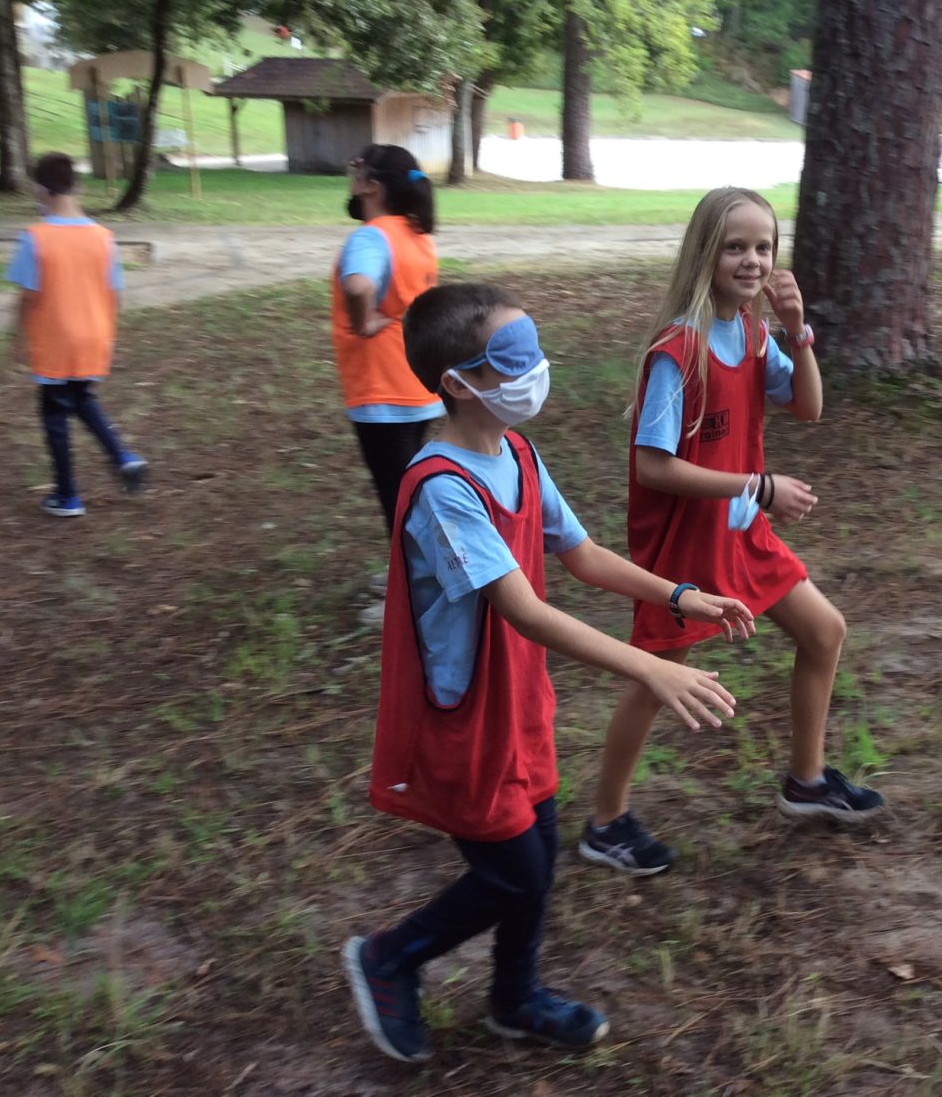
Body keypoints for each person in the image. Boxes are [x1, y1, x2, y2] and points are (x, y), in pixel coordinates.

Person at [342, 282, 756, 1063]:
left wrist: (678, 594)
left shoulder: (518, 453)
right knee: (513, 873)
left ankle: (514, 996)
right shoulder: (441, 489)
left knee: (537, 854)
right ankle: (388, 956)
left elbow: (583, 553)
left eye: (534, 346)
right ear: (459, 382)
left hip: (521, 700)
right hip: (465, 713)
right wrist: (652, 668)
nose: (536, 367)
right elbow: (525, 611)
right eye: (513, 357)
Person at [578, 187, 885, 877]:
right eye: (735, 246)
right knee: (656, 679)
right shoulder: (677, 351)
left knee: (824, 631)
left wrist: (797, 330)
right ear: (704, 254)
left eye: (764, 247)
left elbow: (807, 407)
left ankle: (807, 781)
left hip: (741, 535)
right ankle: (606, 822)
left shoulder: (750, 331)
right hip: (684, 548)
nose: (752, 260)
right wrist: (758, 486)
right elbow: (653, 466)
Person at [331, 144, 443, 623]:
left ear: (371, 186)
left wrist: (364, 323)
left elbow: (358, 285)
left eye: (356, 170)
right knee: (409, 491)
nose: (351, 176)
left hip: (383, 391)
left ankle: (419, 595)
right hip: (417, 384)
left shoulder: (371, 238)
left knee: (399, 500)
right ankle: (412, 573)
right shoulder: (416, 234)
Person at [6, 152, 147, 518]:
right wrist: (109, 334)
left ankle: (67, 495)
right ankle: (123, 457)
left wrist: (16, 338)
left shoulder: (35, 238)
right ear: (77, 187)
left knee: (54, 413)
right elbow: (114, 293)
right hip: (93, 336)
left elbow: (28, 296)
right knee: (82, 397)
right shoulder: (103, 238)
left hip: (56, 341)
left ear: (41, 191)